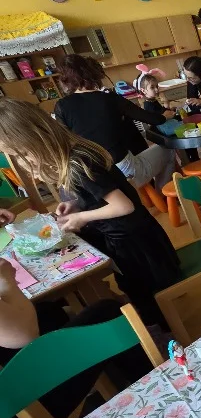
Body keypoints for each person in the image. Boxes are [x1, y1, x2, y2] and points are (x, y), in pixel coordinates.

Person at [0, 99, 180, 328]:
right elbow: (99, 194)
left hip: (134, 242)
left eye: (23, 154)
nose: (23, 162)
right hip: (128, 237)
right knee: (133, 288)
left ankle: (165, 332)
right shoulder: (76, 153)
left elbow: (124, 206)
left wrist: (80, 217)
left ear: (38, 139)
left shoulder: (78, 164)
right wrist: (76, 205)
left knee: (144, 294)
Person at [0, 211, 150, 418]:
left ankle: (110, 382)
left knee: (50, 312)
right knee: (108, 313)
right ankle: (151, 390)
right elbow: (23, 334)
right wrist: (6, 282)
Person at [55, 55, 176, 192]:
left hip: (94, 176)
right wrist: (164, 116)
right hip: (124, 170)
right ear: (90, 72)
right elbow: (151, 118)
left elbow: (65, 143)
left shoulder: (61, 106)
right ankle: (163, 194)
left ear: (64, 80)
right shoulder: (109, 98)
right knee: (168, 150)